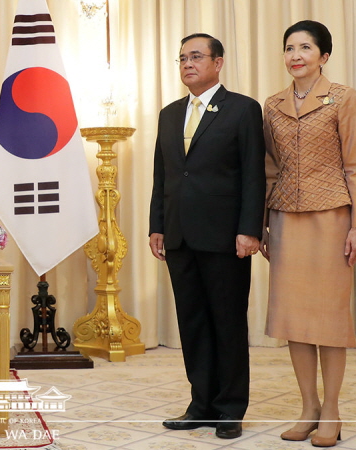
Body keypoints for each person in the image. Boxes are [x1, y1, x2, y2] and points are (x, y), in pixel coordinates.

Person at [148, 33, 266, 439]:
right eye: (182, 58)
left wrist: (250, 228)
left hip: (225, 238)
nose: (187, 64)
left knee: (228, 323)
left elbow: (254, 174)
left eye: (196, 56)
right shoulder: (168, 113)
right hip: (180, 236)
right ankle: (201, 403)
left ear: (218, 62)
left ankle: (230, 408)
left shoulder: (242, 110)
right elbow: (162, 175)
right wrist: (157, 225)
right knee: (193, 323)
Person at [261, 20, 356, 448]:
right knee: (295, 321)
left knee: (327, 320)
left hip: (332, 219)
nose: (296, 55)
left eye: (305, 47)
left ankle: (332, 411)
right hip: (285, 217)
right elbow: (269, 169)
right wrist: (263, 223)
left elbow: (354, 166)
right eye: (289, 48)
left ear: (323, 55)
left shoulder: (342, 97)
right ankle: (307, 407)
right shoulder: (272, 105)